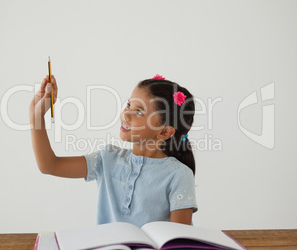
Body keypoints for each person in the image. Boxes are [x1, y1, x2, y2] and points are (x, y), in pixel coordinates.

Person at [29, 74, 198, 228]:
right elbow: (49, 165)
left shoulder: (179, 175)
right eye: (128, 105)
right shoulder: (107, 158)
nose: (126, 114)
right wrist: (35, 116)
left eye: (139, 111)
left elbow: (177, 241)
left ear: (164, 132)